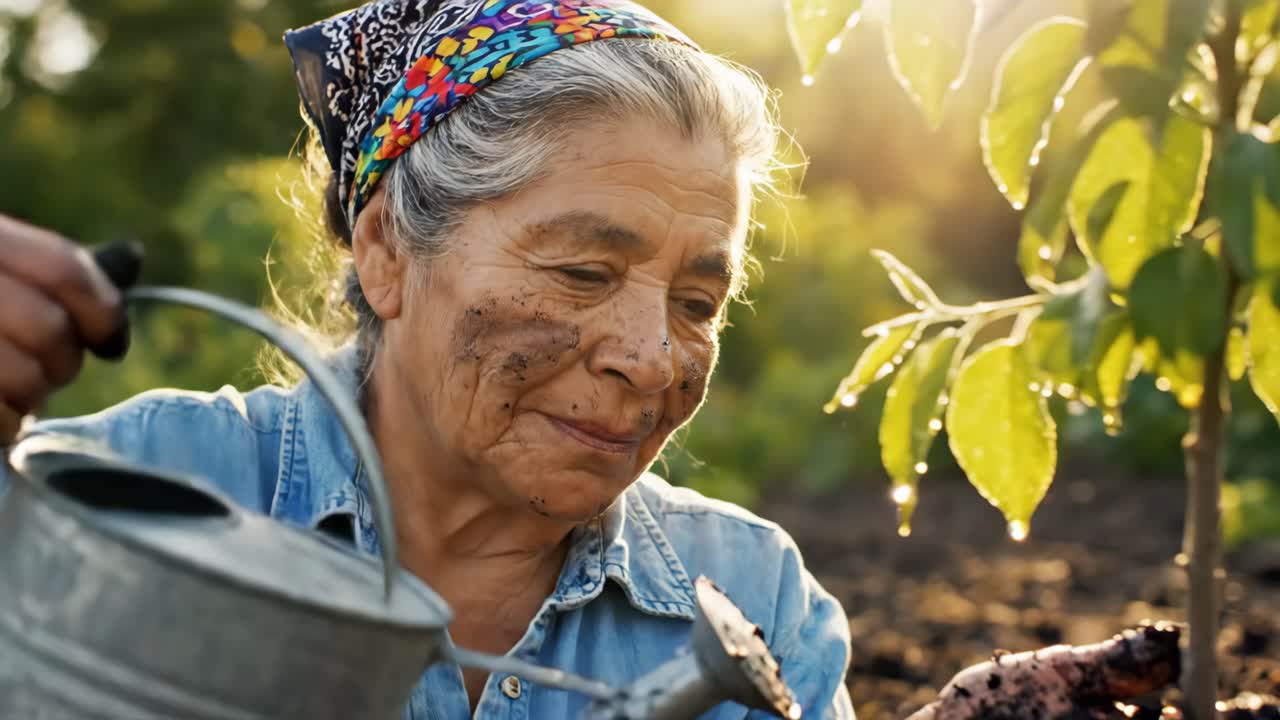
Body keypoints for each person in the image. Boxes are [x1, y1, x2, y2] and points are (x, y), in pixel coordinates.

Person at [0, 0, 856, 717]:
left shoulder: (755, 598)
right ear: (387, 251)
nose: (655, 359)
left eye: (697, 304)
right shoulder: (129, 493)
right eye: (582, 272)